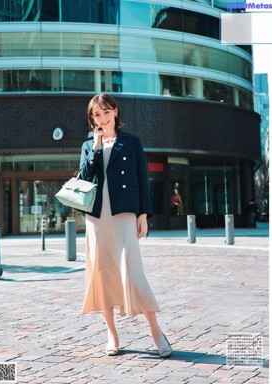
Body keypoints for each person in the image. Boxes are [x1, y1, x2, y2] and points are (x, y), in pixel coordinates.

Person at [79, 94, 172, 357]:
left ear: (116, 111)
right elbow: (85, 176)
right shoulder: (89, 145)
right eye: (96, 115)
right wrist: (96, 148)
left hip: (124, 214)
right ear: (92, 119)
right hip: (97, 218)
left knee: (133, 273)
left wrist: (144, 213)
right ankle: (112, 334)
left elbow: (142, 178)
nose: (102, 118)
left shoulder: (131, 142)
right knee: (103, 274)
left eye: (106, 112)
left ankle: (155, 331)